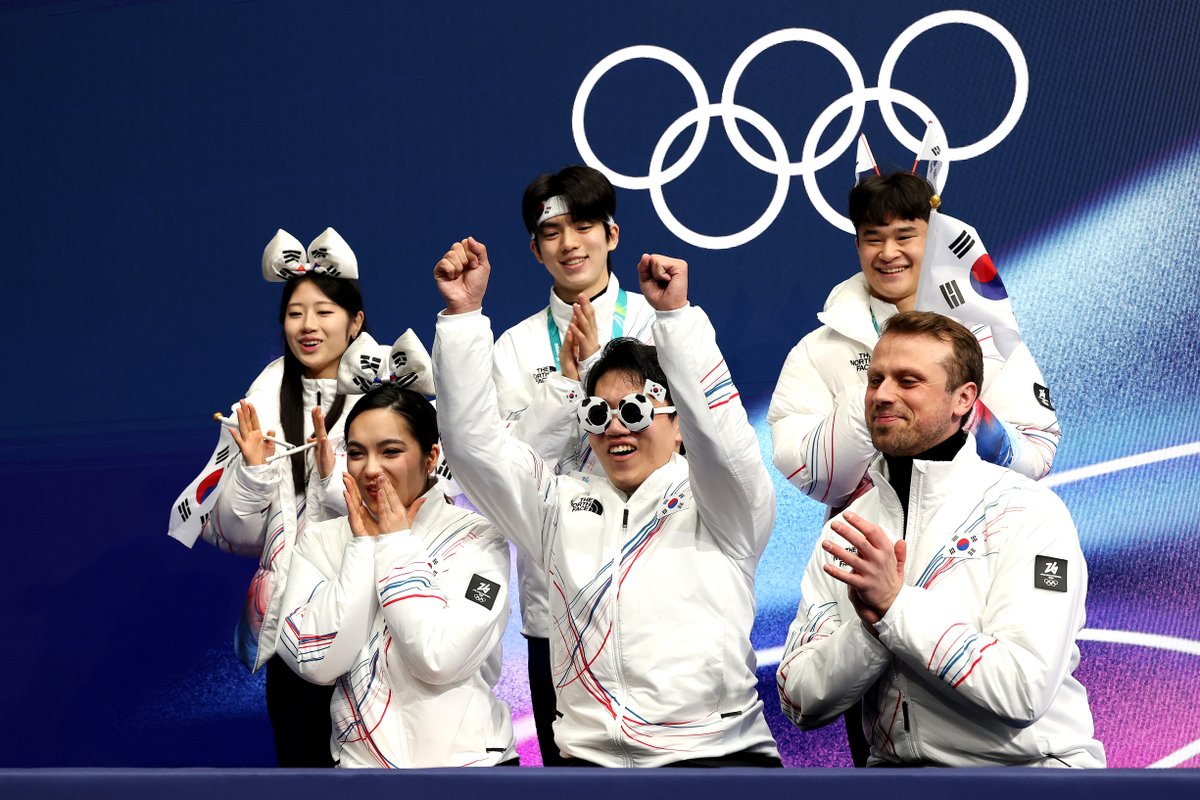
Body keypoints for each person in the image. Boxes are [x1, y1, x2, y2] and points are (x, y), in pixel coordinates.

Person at [432, 238, 780, 767]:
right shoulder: (556, 508)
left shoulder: (724, 505)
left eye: (637, 409)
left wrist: (676, 319)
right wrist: (462, 318)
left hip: (715, 759)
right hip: (589, 768)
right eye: (599, 413)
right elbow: (474, 449)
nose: (616, 425)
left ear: (678, 421)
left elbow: (724, 438)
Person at [776, 311, 1105, 768]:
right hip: (894, 779)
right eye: (876, 379)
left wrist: (895, 608)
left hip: (1028, 779)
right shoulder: (847, 527)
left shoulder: (1029, 513)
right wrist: (871, 629)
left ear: (963, 399)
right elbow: (798, 702)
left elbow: (1022, 690)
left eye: (908, 381)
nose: (882, 395)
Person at [173, 229, 368, 767]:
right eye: (295, 313)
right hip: (295, 626)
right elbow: (235, 536)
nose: (308, 326)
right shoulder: (257, 407)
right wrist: (255, 472)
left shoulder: (387, 404)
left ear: (354, 322)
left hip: (377, 618)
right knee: (303, 770)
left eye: (324, 311)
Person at [768, 172, 1060, 513]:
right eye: (873, 239)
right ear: (858, 245)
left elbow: (1036, 455)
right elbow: (812, 480)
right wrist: (872, 406)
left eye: (905, 236)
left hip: (977, 541)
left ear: (934, 239)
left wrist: (955, 412)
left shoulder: (985, 331)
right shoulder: (818, 350)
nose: (889, 253)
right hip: (866, 547)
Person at [496, 165, 657, 764]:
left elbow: (695, 444)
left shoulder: (655, 320)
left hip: (659, 585)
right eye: (553, 232)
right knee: (572, 780)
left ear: (611, 235)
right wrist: (566, 386)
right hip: (558, 602)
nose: (570, 243)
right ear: (535, 251)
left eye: (584, 226)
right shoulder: (512, 348)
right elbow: (504, 470)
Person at [275, 384, 516, 768]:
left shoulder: (478, 538)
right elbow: (316, 661)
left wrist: (395, 543)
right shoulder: (321, 542)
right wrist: (362, 549)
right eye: (356, 454)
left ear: (430, 456)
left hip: (474, 772)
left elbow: (439, 659)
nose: (371, 469)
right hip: (361, 774)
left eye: (390, 451)